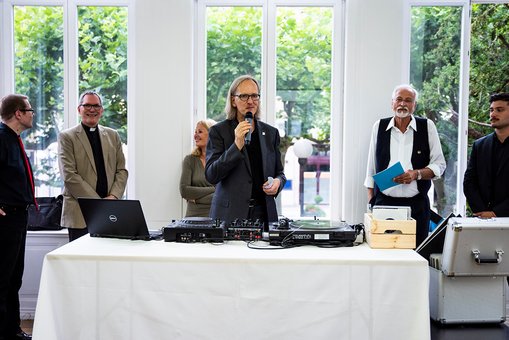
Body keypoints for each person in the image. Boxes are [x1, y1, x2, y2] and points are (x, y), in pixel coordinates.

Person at [364, 84, 446, 246]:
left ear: (414, 105)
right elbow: (371, 167)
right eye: (399, 100)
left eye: (408, 100)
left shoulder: (427, 126)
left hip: (417, 205)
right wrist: (371, 203)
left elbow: (439, 164)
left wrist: (416, 174)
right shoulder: (379, 126)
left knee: (415, 253)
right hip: (384, 204)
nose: (403, 104)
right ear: (392, 103)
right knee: (383, 251)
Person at [205, 75, 286, 229]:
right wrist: (237, 145)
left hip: (264, 215)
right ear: (233, 100)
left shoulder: (271, 133)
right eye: (244, 96)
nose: (250, 101)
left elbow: (280, 173)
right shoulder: (218, 131)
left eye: (254, 95)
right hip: (229, 216)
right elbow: (211, 175)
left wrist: (278, 183)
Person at [58, 91, 128, 242]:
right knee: (80, 263)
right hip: (80, 213)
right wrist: (98, 204)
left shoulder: (113, 135)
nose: (92, 109)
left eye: (96, 106)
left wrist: (113, 196)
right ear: (79, 109)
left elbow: (121, 171)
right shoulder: (67, 137)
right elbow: (69, 175)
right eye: (87, 105)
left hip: (110, 211)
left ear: (102, 110)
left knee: (105, 261)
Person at [0, 94, 35, 340]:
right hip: (5, 220)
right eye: (30, 109)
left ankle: (12, 331)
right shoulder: (1, 138)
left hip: (18, 217)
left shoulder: (14, 139)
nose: (33, 113)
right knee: (2, 279)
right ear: (18, 113)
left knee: (14, 279)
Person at [464, 93, 509, 218]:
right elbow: (469, 182)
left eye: (499, 110)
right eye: (491, 110)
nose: (493, 114)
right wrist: (483, 212)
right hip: (482, 218)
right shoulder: (479, 145)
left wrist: (496, 213)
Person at [179, 119, 216, 217]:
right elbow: (184, 191)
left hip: (215, 216)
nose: (195, 135)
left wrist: (197, 199)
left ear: (211, 135)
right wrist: (213, 189)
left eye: (200, 132)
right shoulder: (189, 160)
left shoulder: (220, 160)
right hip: (192, 217)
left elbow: (224, 194)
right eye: (195, 132)